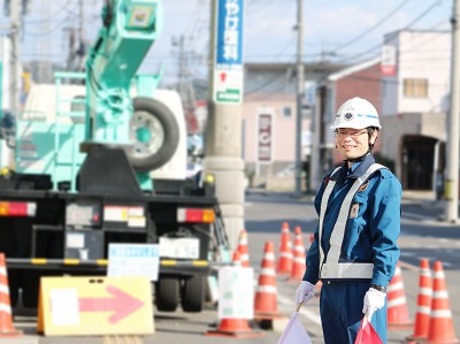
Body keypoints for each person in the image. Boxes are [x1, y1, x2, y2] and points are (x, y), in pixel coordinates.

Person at [295, 97, 402, 344]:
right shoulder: (331, 181)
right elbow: (322, 235)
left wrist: (378, 287)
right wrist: (310, 277)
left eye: (355, 132)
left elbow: (386, 242)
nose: (347, 138)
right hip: (330, 292)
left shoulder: (382, 183)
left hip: (361, 292)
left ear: (372, 136)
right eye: (342, 131)